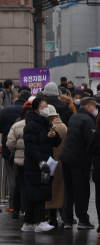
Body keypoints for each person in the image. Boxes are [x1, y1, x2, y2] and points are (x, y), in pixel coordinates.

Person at [21, 97, 62, 232]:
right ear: (36, 110)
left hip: (45, 162)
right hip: (35, 164)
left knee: (37, 191)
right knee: (37, 192)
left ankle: (29, 222)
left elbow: (57, 141)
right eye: (43, 106)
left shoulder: (47, 123)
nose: (46, 109)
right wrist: (40, 161)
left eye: (46, 106)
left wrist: (53, 135)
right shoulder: (31, 125)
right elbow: (31, 146)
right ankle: (40, 221)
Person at [59, 97, 97, 229]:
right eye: (93, 106)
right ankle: (83, 220)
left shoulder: (74, 117)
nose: (95, 109)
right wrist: (93, 159)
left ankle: (67, 220)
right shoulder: (88, 120)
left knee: (69, 190)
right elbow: (90, 142)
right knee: (82, 191)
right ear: (87, 106)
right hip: (79, 160)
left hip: (66, 157)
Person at [0, 88, 30, 214]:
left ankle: (12, 204)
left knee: (11, 178)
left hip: (8, 149)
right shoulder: (30, 113)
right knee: (22, 179)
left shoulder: (5, 110)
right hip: (27, 152)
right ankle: (23, 205)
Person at [7, 102, 32, 219]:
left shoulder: (17, 124)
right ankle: (26, 210)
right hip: (33, 160)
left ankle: (17, 210)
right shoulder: (38, 123)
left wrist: (16, 151)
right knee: (30, 185)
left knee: (19, 184)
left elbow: (10, 143)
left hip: (19, 161)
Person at [44, 105, 67, 227]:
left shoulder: (50, 127)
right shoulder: (64, 126)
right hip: (62, 162)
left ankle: (52, 218)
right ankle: (64, 216)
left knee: (52, 190)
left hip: (50, 162)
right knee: (61, 191)